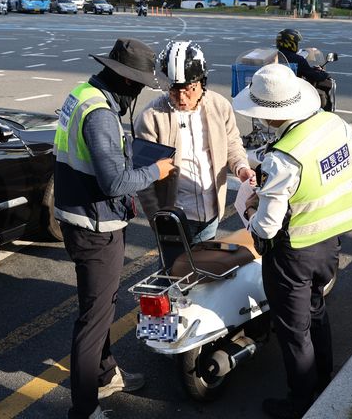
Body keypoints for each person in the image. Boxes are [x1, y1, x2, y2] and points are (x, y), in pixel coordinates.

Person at [233, 64, 352, 419]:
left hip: (291, 254)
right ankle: (325, 376)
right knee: (316, 312)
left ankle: (301, 401)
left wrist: (247, 212)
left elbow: (266, 227)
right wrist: (337, 199)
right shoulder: (333, 124)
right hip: (330, 244)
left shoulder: (283, 159)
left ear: (267, 114)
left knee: (295, 332)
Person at [53, 38, 176, 419]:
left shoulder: (83, 94)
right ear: (125, 81)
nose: (138, 91)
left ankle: (105, 375)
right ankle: (85, 407)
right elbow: (114, 183)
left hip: (75, 216)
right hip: (95, 225)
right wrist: (156, 171)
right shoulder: (102, 114)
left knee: (100, 307)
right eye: (138, 84)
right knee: (94, 319)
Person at [134, 41, 255, 253]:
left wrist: (242, 168)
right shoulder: (151, 117)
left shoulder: (219, 106)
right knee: (174, 273)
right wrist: (158, 220)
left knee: (203, 274)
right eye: (174, 90)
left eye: (189, 89)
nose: (181, 97)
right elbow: (144, 180)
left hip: (211, 211)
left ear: (202, 82)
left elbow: (232, 143)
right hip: (175, 215)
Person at [275, 28, 335, 112]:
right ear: (290, 43)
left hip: (276, 91)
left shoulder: (273, 56)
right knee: (324, 88)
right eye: (296, 42)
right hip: (293, 93)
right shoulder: (297, 59)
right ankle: (326, 114)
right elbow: (312, 75)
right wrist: (325, 75)